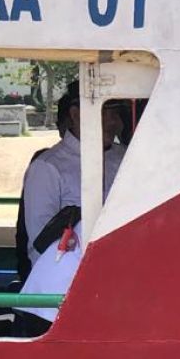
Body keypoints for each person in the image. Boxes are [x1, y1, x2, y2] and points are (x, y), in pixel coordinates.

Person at [19, 82, 125, 268]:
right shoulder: (48, 167)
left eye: (116, 114)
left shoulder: (126, 156)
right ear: (76, 115)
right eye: (104, 113)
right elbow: (42, 245)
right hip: (68, 279)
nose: (113, 122)